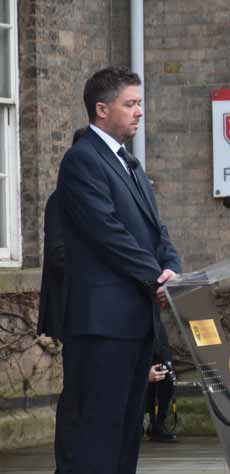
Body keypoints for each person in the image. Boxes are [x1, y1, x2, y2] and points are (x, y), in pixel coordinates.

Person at [56, 66, 181, 474]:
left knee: (127, 435)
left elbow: (155, 229)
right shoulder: (81, 161)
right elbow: (105, 231)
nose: (139, 112)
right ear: (101, 109)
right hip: (101, 325)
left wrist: (172, 268)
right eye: (130, 104)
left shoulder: (131, 165)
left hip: (135, 321)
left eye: (139, 103)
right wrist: (155, 275)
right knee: (96, 435)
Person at [37, 127, 87, 474]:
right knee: (75, 396)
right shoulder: (60, 201)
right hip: (73, 310)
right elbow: (57, 255)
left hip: (94, 310)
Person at [144, 315, 178, 443]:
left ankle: (157, 426)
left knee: (166, 386)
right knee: (149, 392)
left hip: (160, 353)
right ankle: (152, 425)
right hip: (147, 353)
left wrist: (166, 359)